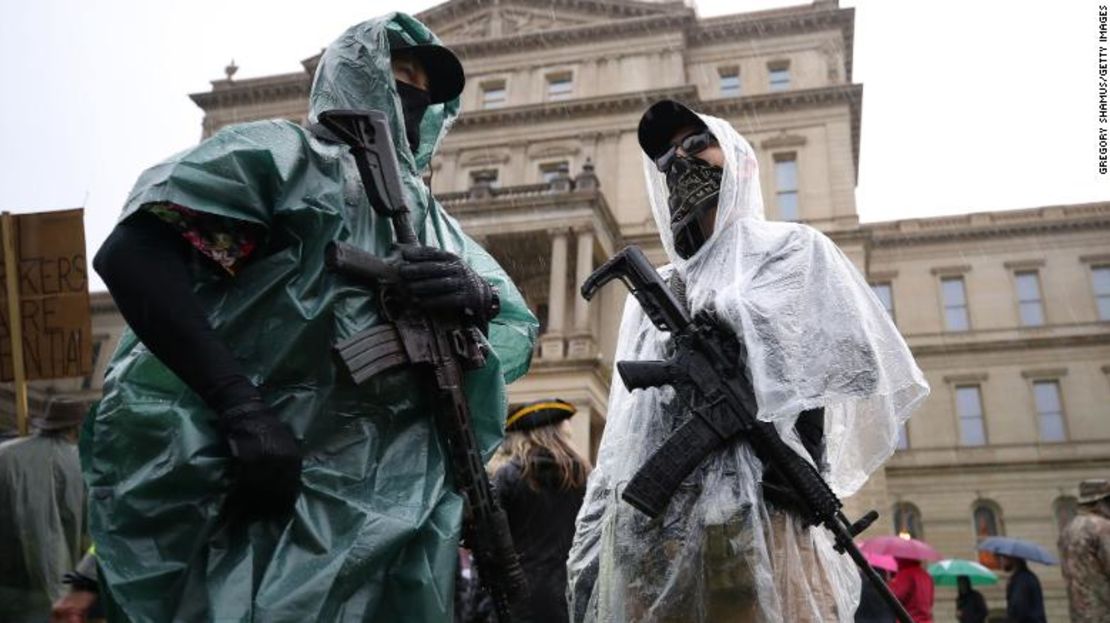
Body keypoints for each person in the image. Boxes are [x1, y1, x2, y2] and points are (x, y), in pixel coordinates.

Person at [86, 12, 537, 622]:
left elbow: (516, 329)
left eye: (424, 86)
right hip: (281, 481)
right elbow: (136, 252)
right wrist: (238, 403)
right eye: (397, 71)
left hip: (402, 516)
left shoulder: (438, 225)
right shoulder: (287, 157)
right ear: (357, 74)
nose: (414, 92)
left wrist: (474, 298)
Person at [566, 100, 929, 622]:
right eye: (667, 158)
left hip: (768, 514)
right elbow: (625, 430)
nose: (681, 161)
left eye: (697, 144)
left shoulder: (794, 251)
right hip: (657, 530)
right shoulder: (660, 289)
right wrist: (599, 537)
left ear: (740, 161)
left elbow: (858, 368)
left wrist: (755, 345)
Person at [492, 399, 590, 623]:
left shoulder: (508, 477)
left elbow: (493, 541)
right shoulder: (584, 476)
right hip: (575, 593)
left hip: (523, 597)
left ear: (524, 436)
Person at [0, 399, 88, 623]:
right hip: (63, 598)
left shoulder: (5, 454)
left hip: (10, 590)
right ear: (78, 428)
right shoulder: (83, 463)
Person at [1059, 479, 1110, 622]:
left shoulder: (1068, 529)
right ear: (1102, 501)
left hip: (1080, 613)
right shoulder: (1102, 527)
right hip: (1104, 611)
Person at [1000, 554, 1046, 623]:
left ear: (1012, 559)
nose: (1001, 561)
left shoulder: (1021, 580)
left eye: (1003, 557)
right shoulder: (1025, 577)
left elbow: (1018, 609)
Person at [889, 558, 934, 623]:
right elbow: (930, 602)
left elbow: (894, 598)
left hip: (909, 619)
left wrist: (891, 584)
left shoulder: (905, 574)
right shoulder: (927, 576)